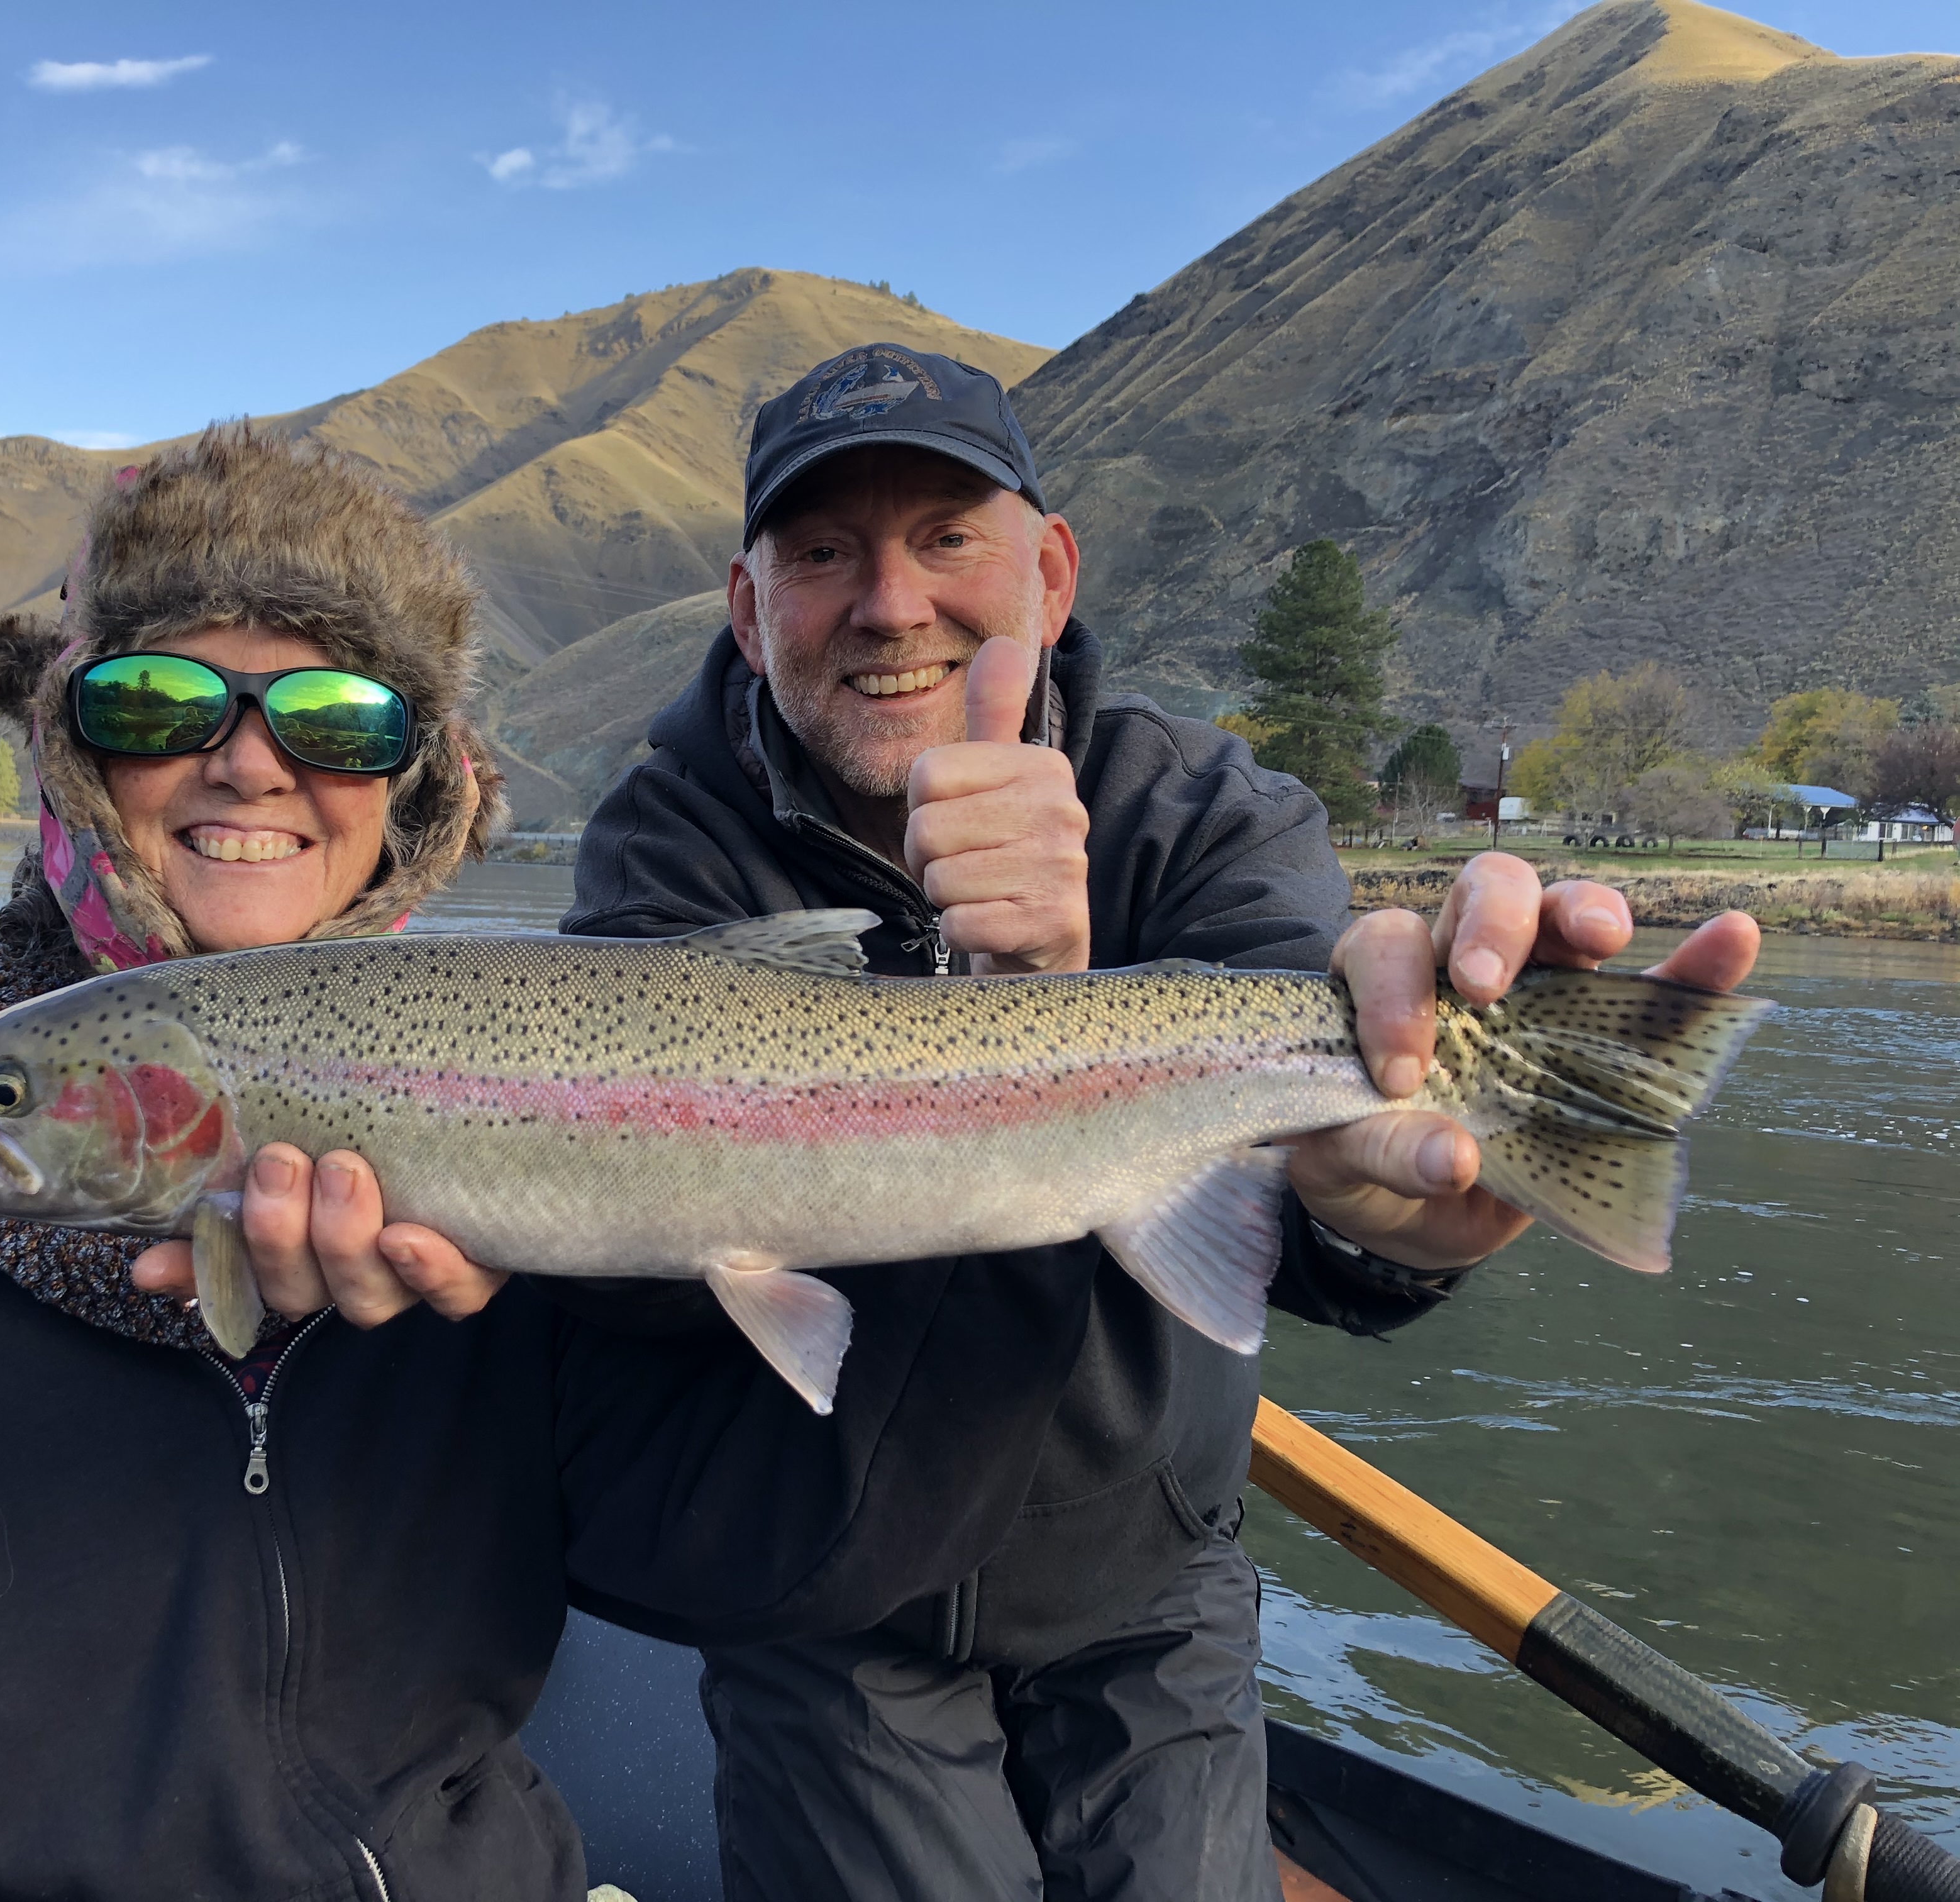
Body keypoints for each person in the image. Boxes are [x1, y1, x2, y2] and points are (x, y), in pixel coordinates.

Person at [0, 426, 1100, 1901]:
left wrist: (1032, 1170)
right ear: (66, 739)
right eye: (159, 700)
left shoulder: (522, 1167)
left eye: (340, 719)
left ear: (411, 788)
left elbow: (772, 1565)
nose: (249, 764)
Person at [556, 344, 1763, 1900]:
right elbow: (625, 1276)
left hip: (1146, 1565)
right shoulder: (664, 844)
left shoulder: (1208, 813)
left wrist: (1384, 1206)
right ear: (748, 610)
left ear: (1048, 576)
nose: (888, 603)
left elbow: (1335, 1190)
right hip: (818, 1584)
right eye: (822, 555)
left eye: (944, 539)